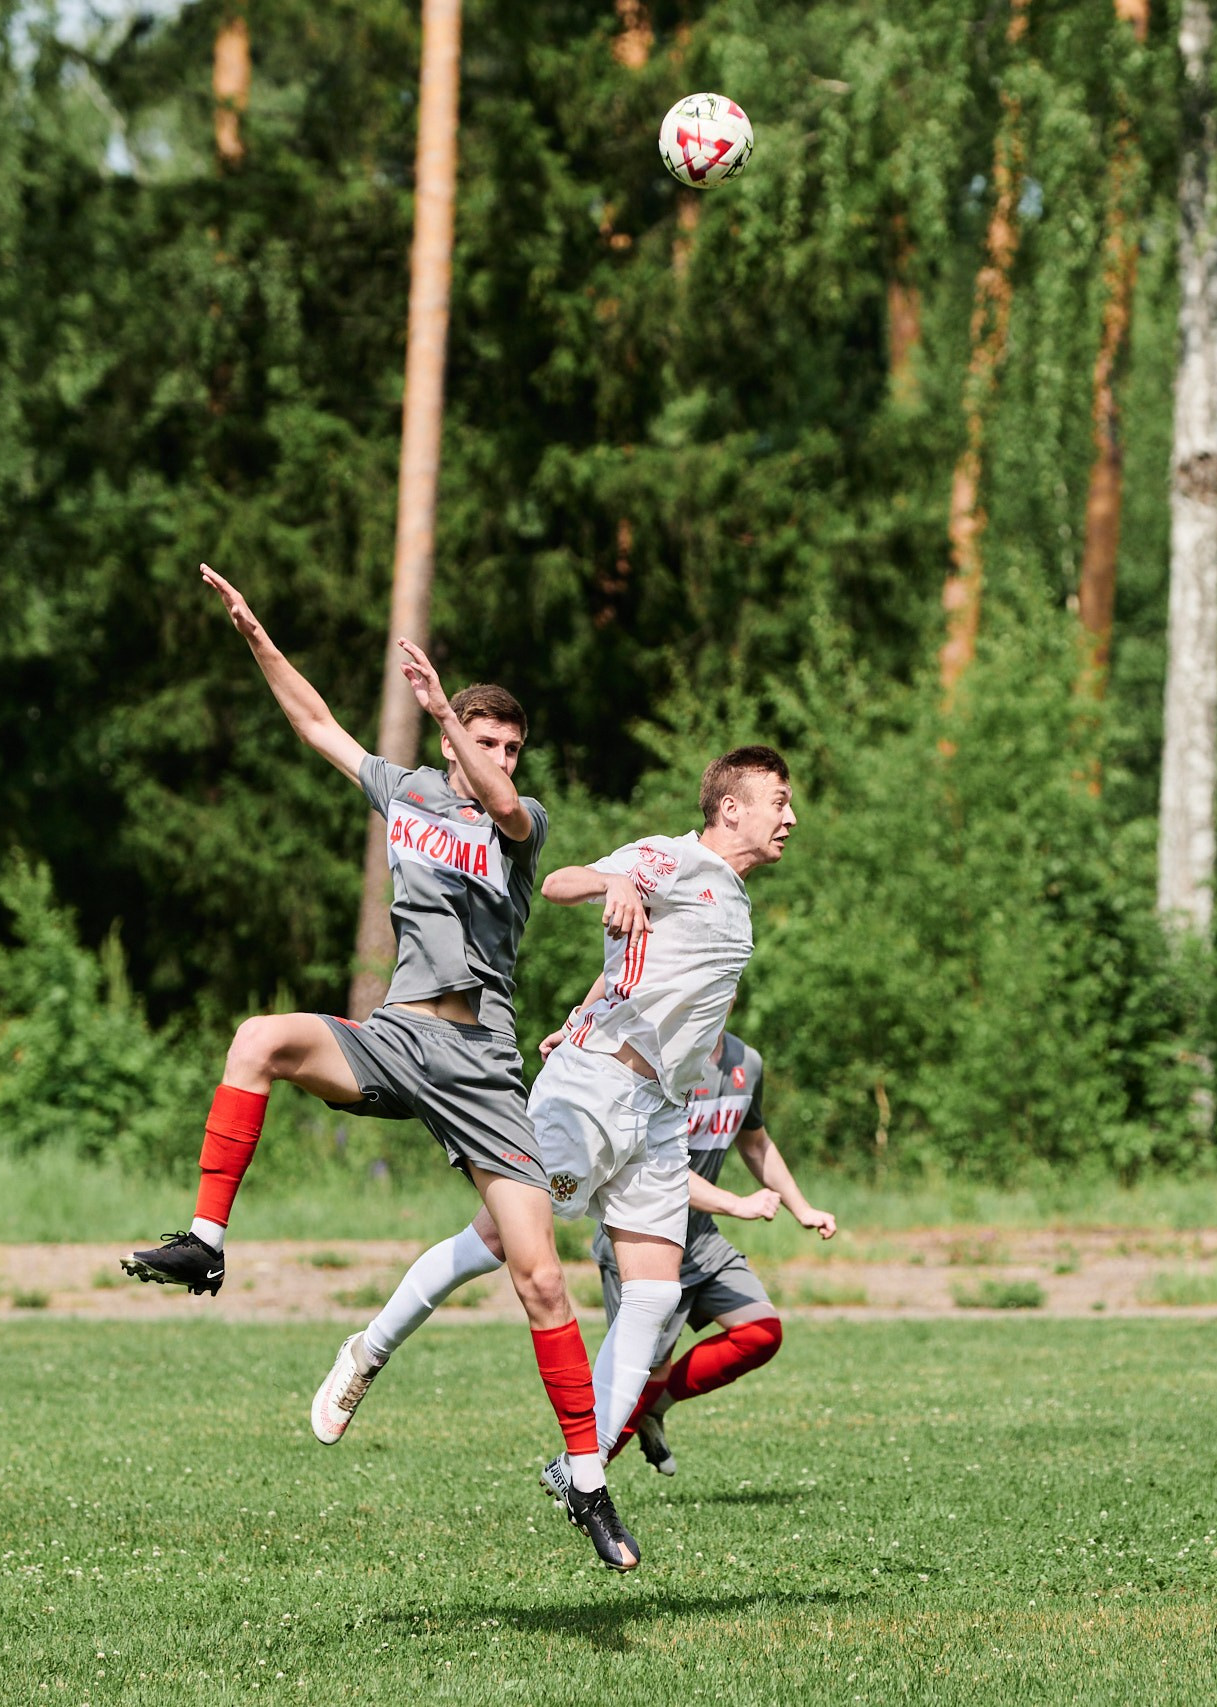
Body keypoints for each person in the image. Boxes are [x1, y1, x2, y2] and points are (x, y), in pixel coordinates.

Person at [127, 565, 626, 1569]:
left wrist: (444, 705)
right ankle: (208, 1240)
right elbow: (315, 724)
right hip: (396, 1039)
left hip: (482, 1070)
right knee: (258, 1038)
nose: (502, 758)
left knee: (538, 1278)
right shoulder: (405, 793)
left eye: (512, 747)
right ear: (448, 745)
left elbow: (511, 808)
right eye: (486, 742)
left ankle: (586, 1480)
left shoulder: (518, 825)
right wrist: (254, 632)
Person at [315, 744, 796, 1573]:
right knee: (497, 1241)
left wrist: (591, 1000)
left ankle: (582, 1470)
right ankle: (369, 1347)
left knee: (652, 1294)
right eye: (778, 801)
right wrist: (613, 885)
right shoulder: (673, 859)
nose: (790, 816)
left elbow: (653, 977)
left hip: (656, 1115)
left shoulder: (740, 902)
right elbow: (565, 877)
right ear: (731, 809)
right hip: (594, 1091)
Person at [581, 1027, 834, 1476]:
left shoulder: (745, 1062)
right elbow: (658, 1165)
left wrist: (801, 1208)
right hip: (645, 1237)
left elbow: (754, 1141)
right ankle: (578, 1477)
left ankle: (654, 1407)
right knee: (634, 1383)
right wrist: (738, 1203)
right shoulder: (657, 1059)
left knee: (760, 1332)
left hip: (701, 1239)